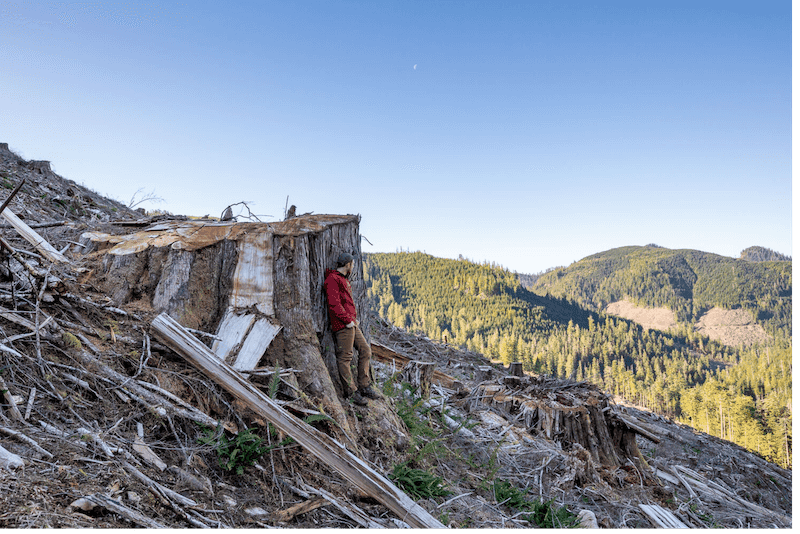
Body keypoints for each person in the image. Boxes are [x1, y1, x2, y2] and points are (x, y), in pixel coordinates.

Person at [324, 252, 379, 406]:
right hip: (343, 325)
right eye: (352, 264)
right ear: (347, 265)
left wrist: (353, 320)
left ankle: (364, 385)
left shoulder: (342, 279)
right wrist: (348, 320)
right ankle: (351, 391)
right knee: (345, 358)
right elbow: (334, 304)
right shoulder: (332, 280)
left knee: (366, 350)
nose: (353, 267)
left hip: (351, 324)